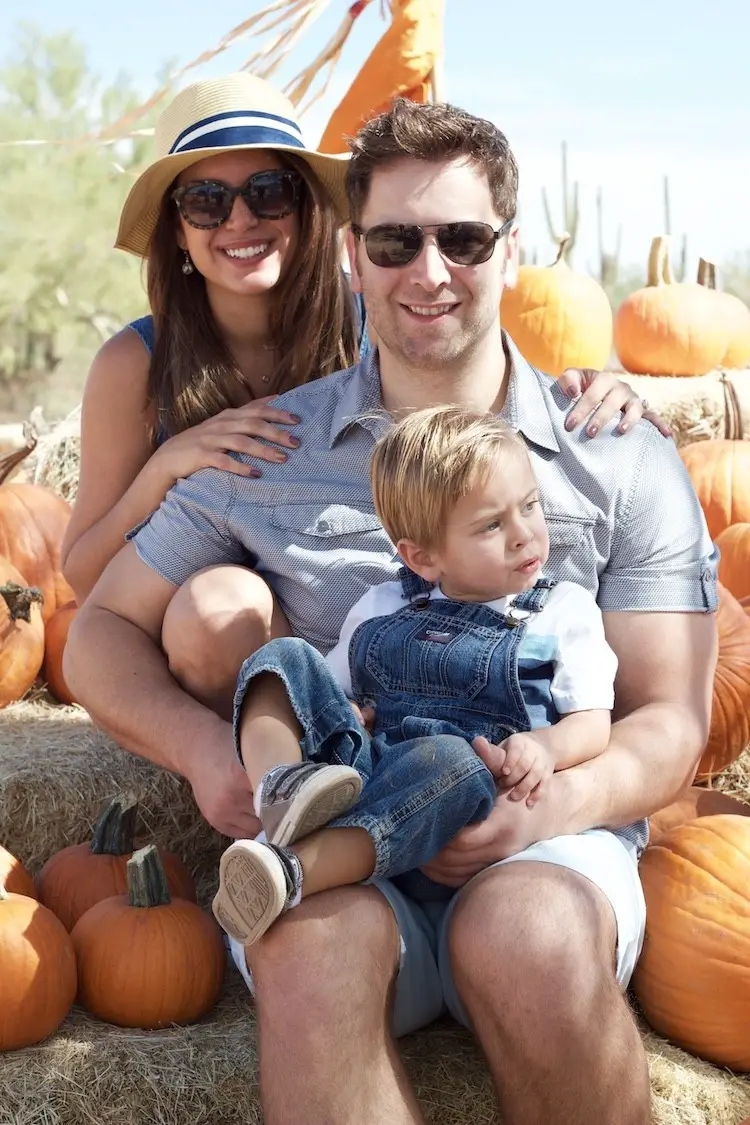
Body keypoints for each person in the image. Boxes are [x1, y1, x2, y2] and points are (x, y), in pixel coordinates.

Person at [65, 97, 717, 1125]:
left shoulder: (619, 457)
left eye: (462, 239)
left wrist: (539, 812)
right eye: (395, 241)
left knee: (528, 935)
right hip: (351, 824)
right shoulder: (269, 449)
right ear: (353, 259)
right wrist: (204, 752)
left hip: (553, 831)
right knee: (310, 942)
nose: (430, 272)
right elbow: (95, 631)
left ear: (512, 248)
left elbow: (673, 720)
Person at [62, 76, 662, 741]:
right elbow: (87, 581)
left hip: (344, 618)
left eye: (268, 192)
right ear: (176, 226)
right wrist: (167, 467)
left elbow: (467, 357)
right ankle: (278, 768)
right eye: (207, 200)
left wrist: (579, 389)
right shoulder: (137, 363)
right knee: (212, 606)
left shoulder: (370, 321)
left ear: (306, 208)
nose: (240, 220)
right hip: (219, 634)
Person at [211, 404, 618, 948]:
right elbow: (330, 695)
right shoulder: (382, 607)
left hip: (453, 808)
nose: (524, 535)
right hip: (364, 779)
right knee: (281, 659)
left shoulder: (562, 612)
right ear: (422, 557)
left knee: (455, 758)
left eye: (530, 506)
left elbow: (593, 723)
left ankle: (292, 871)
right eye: (492, 524)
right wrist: (342, 716)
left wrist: (545, 747)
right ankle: (281, 788)